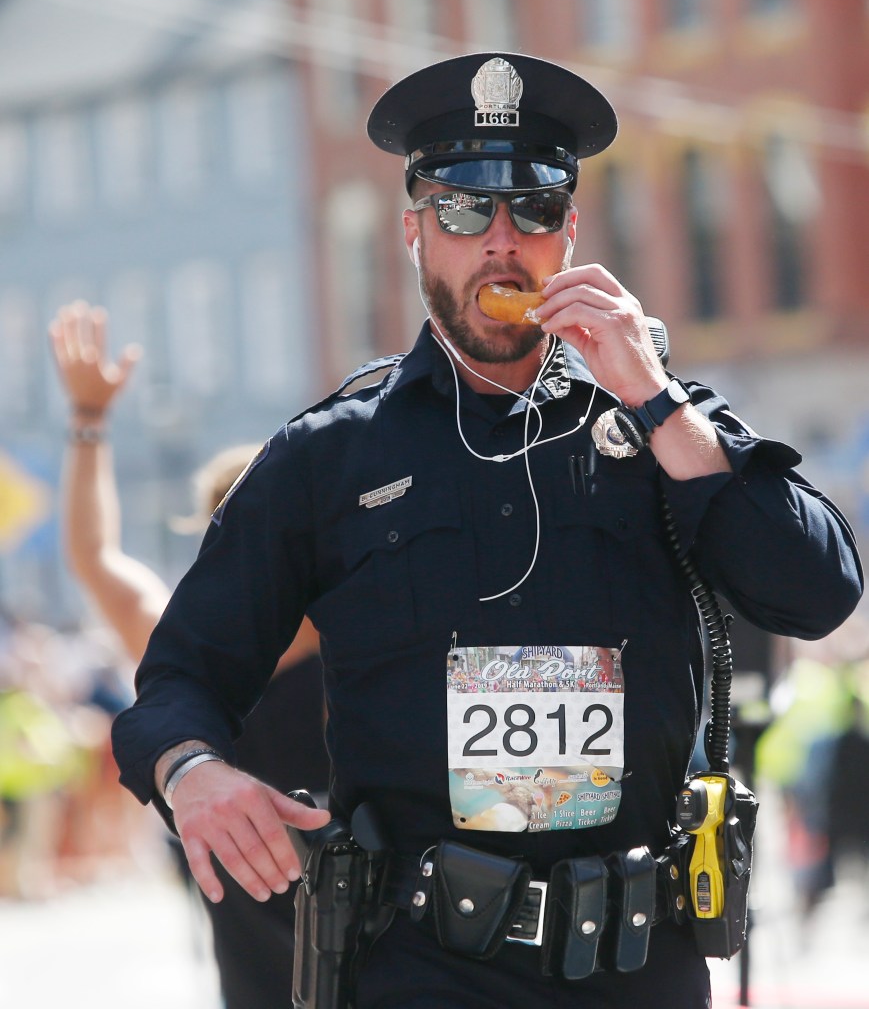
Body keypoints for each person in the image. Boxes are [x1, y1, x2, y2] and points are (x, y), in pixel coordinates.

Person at [110, 52, 863, 1009]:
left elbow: (818, 590)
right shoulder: (328, 454)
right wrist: (193, 774)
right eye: (465, 211)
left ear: (569, 234)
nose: (500, 241)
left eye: (534, 211)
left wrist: (658, 404)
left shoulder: (661, 420)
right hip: (417, 966)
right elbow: (178, 678)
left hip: (637, 961)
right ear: (416, 233)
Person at [50, 302, 331, 1008]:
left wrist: (91, 422)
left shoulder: (199, 644)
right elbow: (96, 559)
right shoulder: (339, 630)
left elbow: (94, 558)